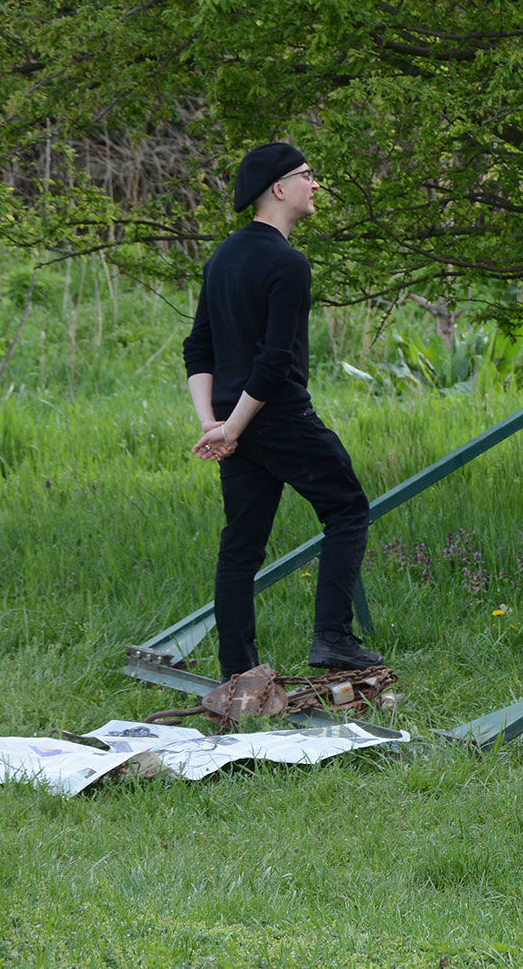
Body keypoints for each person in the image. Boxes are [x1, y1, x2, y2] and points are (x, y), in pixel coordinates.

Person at [182, 142, 381, 679]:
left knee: (240, 545)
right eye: (308, 175)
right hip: (277, 417)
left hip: (235, 421)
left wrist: (215, 423)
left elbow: (198, 348)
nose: (315, 185)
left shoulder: (222, 256)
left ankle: (237, 669)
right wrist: (229, 428)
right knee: (347, 509)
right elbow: (272, 366)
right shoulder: (288, 263)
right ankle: (334, 638)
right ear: (279, 187)